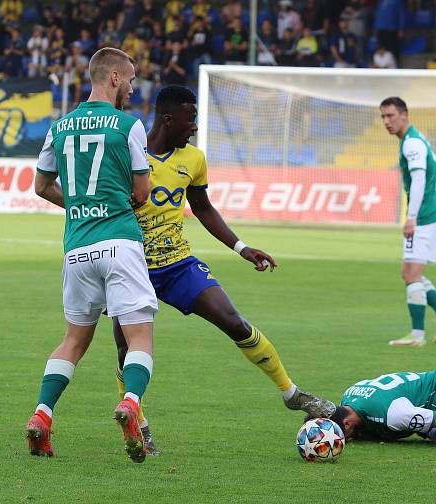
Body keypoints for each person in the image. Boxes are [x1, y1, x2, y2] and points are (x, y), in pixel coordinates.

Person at [112, 86, 336, 454]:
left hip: (177, 264)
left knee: (234, 321)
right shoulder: (128, 153)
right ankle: (138, 422)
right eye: (190, 118)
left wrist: (241, 247)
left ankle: (292, 394)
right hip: (131, 265)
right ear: (168, 119)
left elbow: (202, 207)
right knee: (125, 347)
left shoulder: (194, 159)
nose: (195, 126)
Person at [29, 47, 158, 463]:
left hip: (77, 247)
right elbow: (141, 193)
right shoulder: (129, 126)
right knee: (139, 337)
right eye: (132, 78)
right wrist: (111, 203)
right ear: (115, 78)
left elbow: (41, 185)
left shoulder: (60, 126)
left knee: (73, 340)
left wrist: (82, 205)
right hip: (120, 240)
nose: (134, 87)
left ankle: (42, 416)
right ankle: (131, 404)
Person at [380, 97, 436, 347]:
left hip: (425, 216)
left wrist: (411, 217)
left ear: (404, 115)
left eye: (390, 115)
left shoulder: (412, 143)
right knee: (409, 272)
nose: (386, 121)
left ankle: (416, 335)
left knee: (412, 275)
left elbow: (420, 180)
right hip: (429, 214)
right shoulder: (413, 139)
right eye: (383, 117)